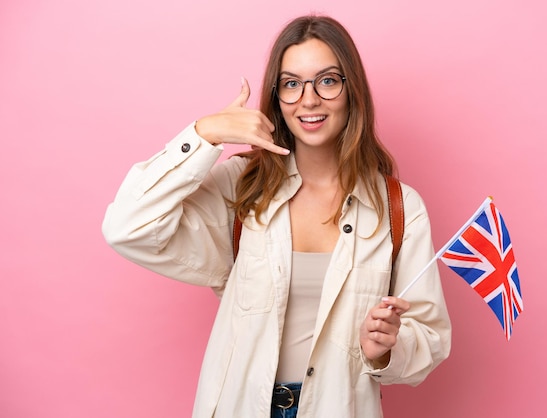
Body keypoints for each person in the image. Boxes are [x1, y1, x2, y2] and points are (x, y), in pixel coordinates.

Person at [102, 14, 451, 418]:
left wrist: (387, 349)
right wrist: (204, 134)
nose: (308, 99)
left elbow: (430, 335)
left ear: (351, 89)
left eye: (327, 80)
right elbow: (126, 227)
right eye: (291, 84)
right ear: (276, 96)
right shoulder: (242, 187)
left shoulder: (399, 207)